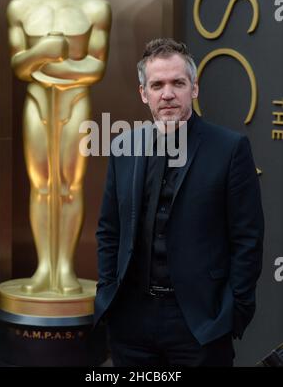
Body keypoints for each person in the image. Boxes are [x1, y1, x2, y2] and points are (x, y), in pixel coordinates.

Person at [95, 38, 264, 366]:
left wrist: (231, 314)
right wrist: (107, 293)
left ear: (194, 88)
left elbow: (248, 239)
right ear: (144, 93)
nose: (167, 93)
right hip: (130, 323)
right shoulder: (123, 147)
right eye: (157, 84)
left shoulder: (230, 149)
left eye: (178, 83)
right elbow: (109, 230)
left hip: (199, 324)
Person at [7, 0, 111, 295]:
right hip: (37, 103)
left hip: (75, 103)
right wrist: (46, 52)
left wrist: (44, 66)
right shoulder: (21, 6)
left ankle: (64, 267)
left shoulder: (95, 7)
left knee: (69, 185)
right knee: (41, 186)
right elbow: (19, 67)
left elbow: (95, 68)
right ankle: (43, 268)